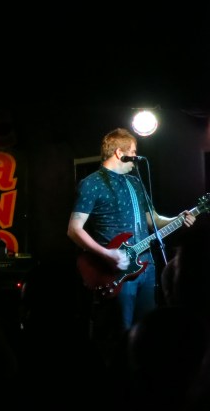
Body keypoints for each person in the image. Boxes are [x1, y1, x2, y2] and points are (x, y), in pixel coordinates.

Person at [67, 128, 195, 359]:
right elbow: (74, 229)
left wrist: (178, 219)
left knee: (146, 331)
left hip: (146, 265)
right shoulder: (92, 184)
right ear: (119, 153)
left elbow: (152, 220)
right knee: (119, 335)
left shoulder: (136, 183)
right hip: (115, 270)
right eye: (133, 153)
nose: (136, 159)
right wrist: (107, 254)